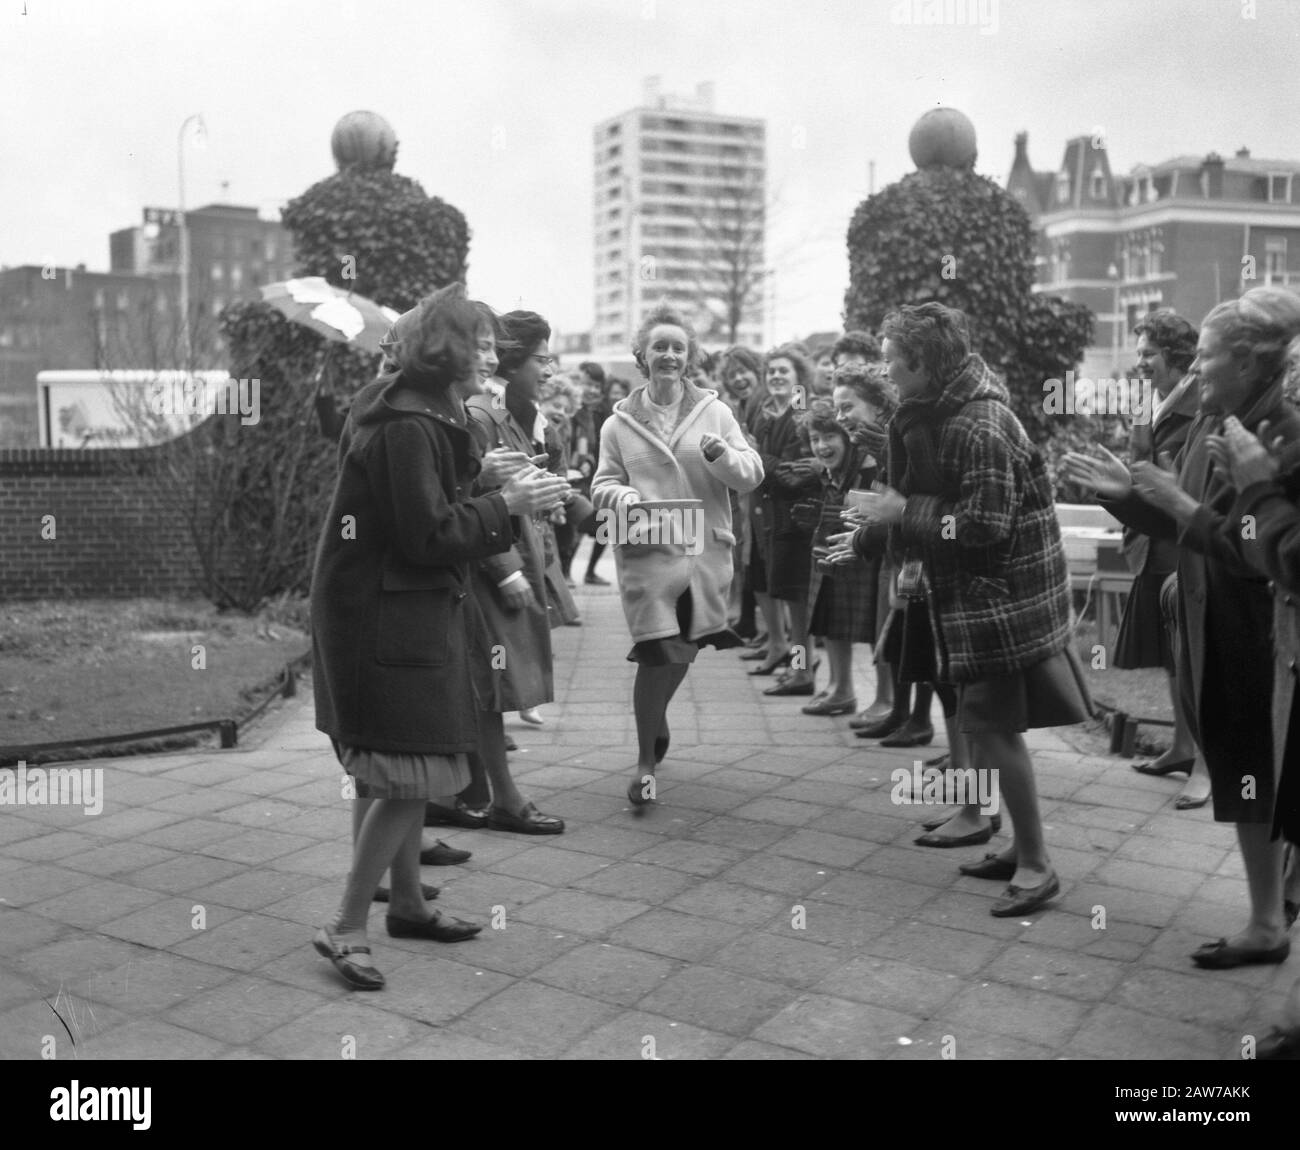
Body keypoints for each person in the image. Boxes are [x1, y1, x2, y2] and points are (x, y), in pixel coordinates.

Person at [310, 285, 571, 989]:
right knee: (407, 772)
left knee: (390, 768)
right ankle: (345, 925)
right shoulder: (409, 422)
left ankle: (409, 906)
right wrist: (505, 503)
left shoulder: (414, 408)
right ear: (447, 350)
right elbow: (425, 535)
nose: (495, 354)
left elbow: (417, 501)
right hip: (384, 618)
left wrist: (480, 474)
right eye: (481, 343)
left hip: (386, 610)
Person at [1062, 286, 1300, 967]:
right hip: (1214, 613)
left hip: (1257, 626)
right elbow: (1189, 523)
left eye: (1205, 358)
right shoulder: (1215, 420)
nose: (1195, 371)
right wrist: (1131, 499)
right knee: (1246, 764)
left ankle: (1266, 921)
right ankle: (1275, 903)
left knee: (1254, 768)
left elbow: (1264, 554)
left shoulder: (1280, 435)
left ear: (1250, 363)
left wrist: (1178, 503)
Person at [835, 302, 1090, 916]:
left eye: (894, 361)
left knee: (996, 731)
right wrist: (875, 534)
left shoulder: (980, 425)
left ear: (925, 364)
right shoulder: (932, 412)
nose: (886, 371)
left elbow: (983, 526)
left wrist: (901, 516)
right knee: (986, 725)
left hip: (1002, 602)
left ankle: (1036, 864)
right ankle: (1015, 844)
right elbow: (921, 505)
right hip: (977, 600)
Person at [592, 303, 763, 807]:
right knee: (656, 651)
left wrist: (722, 457)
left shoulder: (715, 412)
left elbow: (752, 474)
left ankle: (656, 720)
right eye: (659, 346)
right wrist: (620, 496)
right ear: (641, 356)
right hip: (650, 554)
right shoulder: (617, 424)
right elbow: (602, 482)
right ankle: (646, 762)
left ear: (690, 357)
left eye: (678, 347)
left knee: (684, 649)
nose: (669, 355)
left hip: (704, 553)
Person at [434, 310, 577, 836]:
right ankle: (504, 799)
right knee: (491, 685)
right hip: (491, 565)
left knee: (487, 683)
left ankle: (464, 794)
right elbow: (467, 496)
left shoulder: (497, 408)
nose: (549, 368)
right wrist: (507, 570)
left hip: (508, 552)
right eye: (542, 358)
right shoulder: (479, 410)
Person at [1110, 310, 1209, 808]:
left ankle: (1207, 768)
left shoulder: (1199, 404)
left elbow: (1177, 480)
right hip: (1153, 539)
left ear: (1176, 356)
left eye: (1148, 353)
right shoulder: (1156, 401)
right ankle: (1181, 745)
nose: (1140, 361)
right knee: (1174, 658)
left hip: (1179, 542)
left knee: (1192, 654)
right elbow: (1141, 468)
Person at [749, 344, 822, 696]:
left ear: (799, 378)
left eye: (784, 371)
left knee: (798, 603)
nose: (776, 376)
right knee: (793, 602)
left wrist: (754, 456)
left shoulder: (801, 413)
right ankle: (800, 669)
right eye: (771, 371)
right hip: (779, 518)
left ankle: (803, 673)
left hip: (799, 519)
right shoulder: (772, 415)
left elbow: (794, 475)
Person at [801, 398, 878, 715]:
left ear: (847, 437)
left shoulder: (866, 468)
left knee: (871, 626)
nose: (821, 445)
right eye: (815, 439)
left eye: (829, 437)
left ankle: (884, 697)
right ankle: (839, 686)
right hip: (828, 551)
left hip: (859, 552)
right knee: (827, 619)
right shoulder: (828, 472)